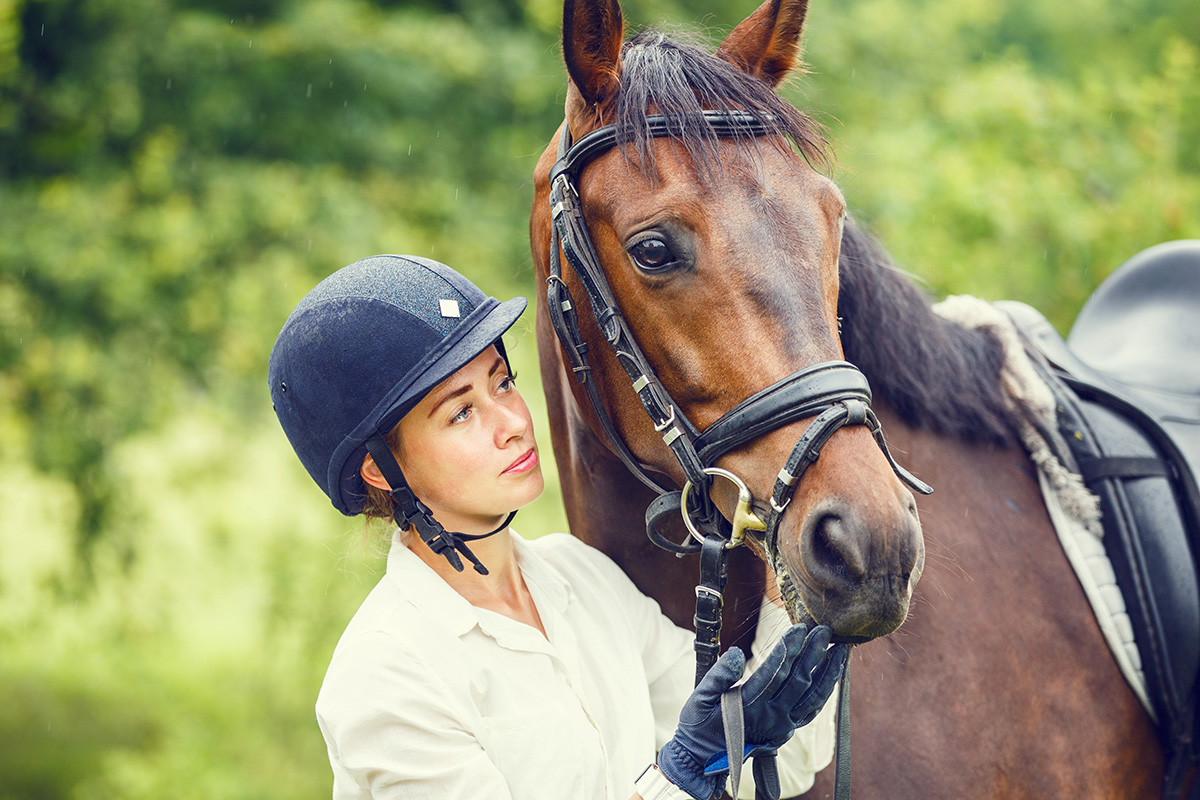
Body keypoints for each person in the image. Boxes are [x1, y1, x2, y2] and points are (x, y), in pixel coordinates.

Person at [268, 254, 849, 800]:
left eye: (502, 382)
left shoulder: (583, 576)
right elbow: (694, 771)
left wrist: (793, 562)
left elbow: (782, 766)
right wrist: (678, 779)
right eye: (462, 412)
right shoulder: (386, 676)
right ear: (381, 470)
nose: (514, 423)